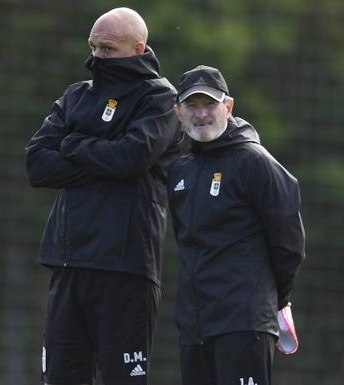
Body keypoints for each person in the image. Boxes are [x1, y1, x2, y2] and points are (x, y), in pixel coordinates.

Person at [25, 7, 182, 385]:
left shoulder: (160, 99)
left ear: (138, 48)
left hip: (125, 263)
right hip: (68, 260)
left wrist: (74, 143)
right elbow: (38, 164)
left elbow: (132, 157)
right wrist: (103, 156)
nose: (97, 57)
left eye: (107, 49)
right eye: (93, 47)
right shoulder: (77, 96)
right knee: (61, 377)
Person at [167, 65, 306, 385]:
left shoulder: (255, 162)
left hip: (244, 322)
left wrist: (271, 298)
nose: (201, 114)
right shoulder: (179, 172)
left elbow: (289, 245)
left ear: (228, 107)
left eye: (210, 104)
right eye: (191, 105)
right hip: (193, 326)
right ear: (178, 112)